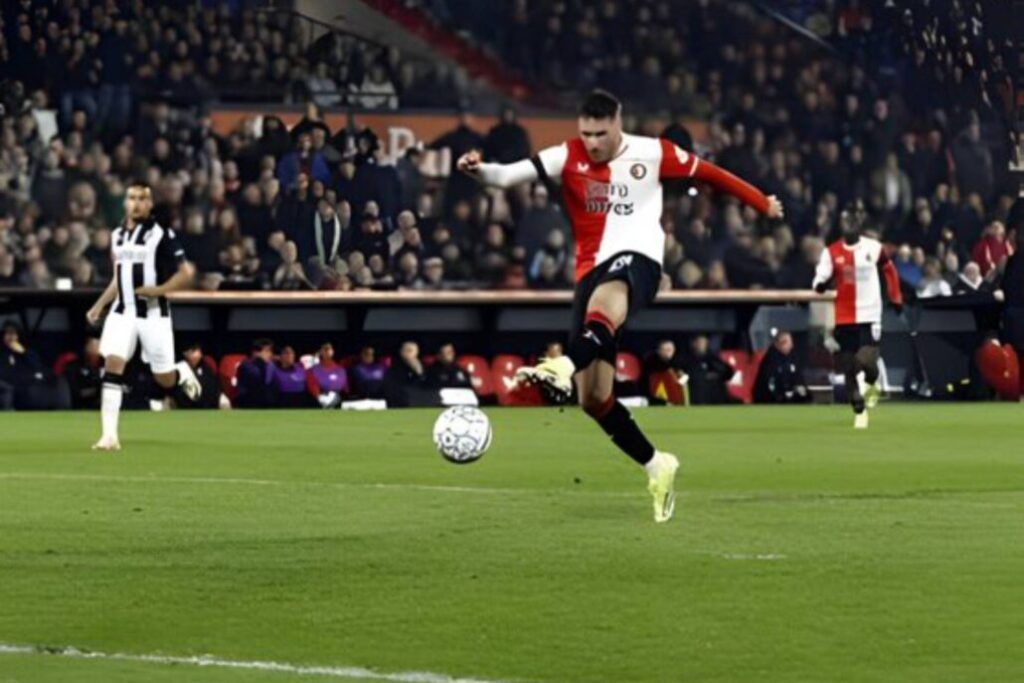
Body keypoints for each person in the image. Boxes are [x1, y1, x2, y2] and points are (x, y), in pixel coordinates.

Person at [458, 89, 783, 522]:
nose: (592, 142)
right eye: (586, 132)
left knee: (609, 296)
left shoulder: (653, 153)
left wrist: (762, 203)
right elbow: (504, 177)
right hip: (589, 273)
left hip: (640, 261)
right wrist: (476, 170)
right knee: (594, 399)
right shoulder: (565, 156)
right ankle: (656, 464)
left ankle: (563, 364)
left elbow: (712, 173)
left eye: (601, 133)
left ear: (618, 122)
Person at [85, 181, 201, 449]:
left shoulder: (162, 235)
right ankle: (109, 436)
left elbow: (186, 274)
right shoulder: (117, 236)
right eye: (132, 198)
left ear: (149, 204)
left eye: (142, 198)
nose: (136, 203)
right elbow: (118, 278)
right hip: (122, 311)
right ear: (125, 202)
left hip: (153, 314)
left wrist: (157, 289)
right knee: (113, 365)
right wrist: (99, 305)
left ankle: (181, 373)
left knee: (164, 377)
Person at [812, 205, 903, 429]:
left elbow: (889, 269)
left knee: (865, 360)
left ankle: (872, 381)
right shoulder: (831, 252)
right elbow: (819, 278)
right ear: (840, 225)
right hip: (843, 316)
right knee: (848, 365)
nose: (849, 225)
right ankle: (858, 408)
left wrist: (896, 295)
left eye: (852, 221)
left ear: (859, 224)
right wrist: (820, 285)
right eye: (845, 221)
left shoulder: (873, 247)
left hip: (870, 314)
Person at [753, 332, 811, 404]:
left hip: (786, 397)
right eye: (788, 343)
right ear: (780, 344)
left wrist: (803, 391)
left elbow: (798, 378)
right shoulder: (770, 360)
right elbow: (769, 384)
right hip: (769, 401)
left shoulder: (791, 358)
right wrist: (783, 396)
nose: (791, 346)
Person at [680, 335, 735, 405]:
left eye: (704, 342)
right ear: (693, 344)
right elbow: (681, 383)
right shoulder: (687, 363)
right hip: (697, 404)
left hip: (717, 404)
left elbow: (729, 375)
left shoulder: (714, 361)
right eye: (699, 342)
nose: (702, 345)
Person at [174, 342, 221, 409]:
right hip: (186, 410)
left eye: (198, 350)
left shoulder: (205, 367)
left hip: (209, 409)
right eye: (194, 350)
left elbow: (214, 388)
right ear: (185, 353)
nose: (198, 353)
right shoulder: (179, 368)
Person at [63, 336, 104, 409]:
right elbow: (74, 393)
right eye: (92, 355)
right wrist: (97, 390)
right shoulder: (73, 367)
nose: (95, 358)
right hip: (80, 407)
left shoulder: (106, 366)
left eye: (98, 356)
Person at [234, 339, 277, 408]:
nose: (270, 354)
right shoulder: (247, 366)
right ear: (256, 352)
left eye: (270, 351)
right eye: (266, 351)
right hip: (250, 406)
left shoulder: (271, 366)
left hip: (268, 406)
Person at [305, 342, 349, 408]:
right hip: (321, 402)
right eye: (325, 349)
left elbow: (346, 389)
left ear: (333, 351)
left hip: (340, 402)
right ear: (320, 352)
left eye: (329, 349)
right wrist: (321, 398)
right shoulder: (312, 370)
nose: (327, 351)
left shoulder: (341, 369)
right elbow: (313, 388)